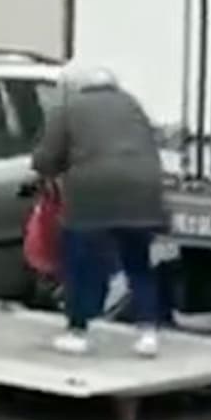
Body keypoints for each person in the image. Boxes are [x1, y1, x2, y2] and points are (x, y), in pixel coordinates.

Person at [32, 65, 167, 357]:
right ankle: (148, 333)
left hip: (93, 194)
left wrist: (47, 170)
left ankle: (78, 331)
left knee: (81, 264)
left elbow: (47, 157)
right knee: (138, 262)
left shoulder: (68, 108)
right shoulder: (131, 104)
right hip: (143, 190)